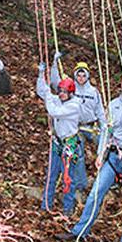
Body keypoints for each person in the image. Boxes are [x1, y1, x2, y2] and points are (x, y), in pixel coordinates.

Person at [56, 71, 122, 242]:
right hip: (112, 156)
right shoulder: (113, 105)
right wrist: (100, 154)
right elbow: (106, 131)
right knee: (96, 192)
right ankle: (80, 231)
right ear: (121, 84)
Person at [36, 63, 86, 215]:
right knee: (51, 174)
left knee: (68, 177)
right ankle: (46, 205)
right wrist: (41, 74)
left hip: (69, 144)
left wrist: (49, 98)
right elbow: (42, 91)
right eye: (60, 91)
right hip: (57, 142)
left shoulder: (74, 105)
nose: (62, 94)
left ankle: (67, 209)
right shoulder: (58, 99)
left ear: (71, 93)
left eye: (65, 92)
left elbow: (54, 111)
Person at [50, 58, 106, 156]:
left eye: (84, 75)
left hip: (90, 127)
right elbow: (55, 83)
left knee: (104, 143)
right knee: (77, 146)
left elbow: (99, 111)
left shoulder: (93, 92)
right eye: (79, 75)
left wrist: (104, 126)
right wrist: (54, 64)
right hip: (74, 127)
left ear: (88, 76)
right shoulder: (70, 89)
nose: (81, 78)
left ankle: (101, 164)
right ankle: (78, 168)